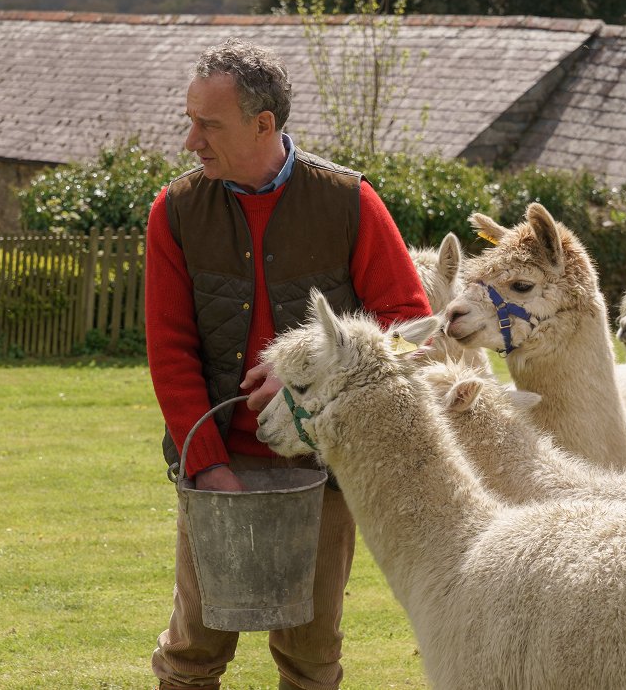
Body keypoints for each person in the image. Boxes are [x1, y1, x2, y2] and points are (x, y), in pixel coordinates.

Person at [145, 39, 431, 690]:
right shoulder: (176, 212)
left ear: (263, 124)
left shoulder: (351, 201)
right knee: (192, 651)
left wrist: (316, 363)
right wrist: (209, 467)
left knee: (309, 657)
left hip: (324, 472)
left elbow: (412, 328)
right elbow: (170, 353)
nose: (191, 140)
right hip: (216, 467)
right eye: (190, 120)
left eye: (207, 124)